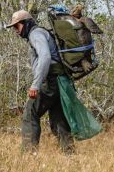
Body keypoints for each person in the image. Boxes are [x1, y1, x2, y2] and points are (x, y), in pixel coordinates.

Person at [6, 9, 74, 154]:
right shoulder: (41, 33)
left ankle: (29, 154)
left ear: (25, 23)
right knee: (58, 119)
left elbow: (45, 57)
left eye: (16, 26)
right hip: (59, 81)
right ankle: (69, 154)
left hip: (50, 81)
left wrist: (35, 84)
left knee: (30, 113)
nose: (16, 31)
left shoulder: (35, 34)